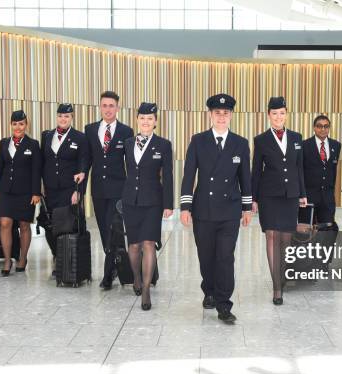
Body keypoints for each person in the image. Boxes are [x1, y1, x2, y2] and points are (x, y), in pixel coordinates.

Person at [180, 93, 252, 323]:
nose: (222, 117)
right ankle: (209, 290)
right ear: (210, 115)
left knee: (225, 257)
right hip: (203, 210)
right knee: (206, 256)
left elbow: (245, 178)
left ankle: (224, 304)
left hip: (229, 211)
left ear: (231, 115)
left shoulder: (240, 143)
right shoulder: (198, 141)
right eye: (217, 113)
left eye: (226, 113)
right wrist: (185, 206)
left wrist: (247, 208)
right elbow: (189, 174)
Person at [251, 97, 307, 305]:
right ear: (268, 115)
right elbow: (256, 172)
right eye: (274, 113)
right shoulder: (261, 139)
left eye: (282, 113)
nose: (278, 117)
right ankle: (276, 287)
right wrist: (253, 199)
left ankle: (282, 276)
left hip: (290, 195)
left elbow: (298, 167)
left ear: (286, 114)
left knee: (286, 240)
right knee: (272, 237)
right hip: (269, 196)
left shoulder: (296, 137)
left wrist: (302, 193)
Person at [122, 102, 174, 310]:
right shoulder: (127, 143)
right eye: (142, 118)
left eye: (150, 119)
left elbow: (168, 176)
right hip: (130, 201)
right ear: (137, 120)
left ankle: (145, 289)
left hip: (153, 201)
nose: (146, 122)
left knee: (149, 244)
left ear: (155, 122)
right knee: (133, 245)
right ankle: (135, 278)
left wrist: (168, 204)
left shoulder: (163, 145)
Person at [84, 91, 134, 289]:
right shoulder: (90, 130)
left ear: (117, 108)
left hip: (118, 190)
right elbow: (86, 160)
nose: (108, 109)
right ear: (100, 107)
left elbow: (130, 163)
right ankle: (113, 265)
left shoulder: (125, 131)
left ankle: (107, 274)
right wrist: (79, 188)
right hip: (98, 189)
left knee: (114, 229)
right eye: (104, 105)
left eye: (111, 105)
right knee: (104, 230)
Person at [40, 103, 89, 277]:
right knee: (48, 224)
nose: (63, 119)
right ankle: (56, 254)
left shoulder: (80, 138)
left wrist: (79, 191)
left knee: (65, 225)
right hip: (49, 190)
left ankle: (64, 261)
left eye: (67, 116)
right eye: (60, 115)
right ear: (56, 117)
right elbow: (42, 162)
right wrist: (40, 186)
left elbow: (83, 166)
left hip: (69, 190)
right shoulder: (46, 136)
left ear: (72, 118)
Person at [0, 110, 41, 277]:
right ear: (11, 125)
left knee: (24, 225)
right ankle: (7, 260)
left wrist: (36, 192)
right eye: (15, 124)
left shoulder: (33, 144)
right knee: (5, 223)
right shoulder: (4, 143)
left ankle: (22, 258)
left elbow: (36, 170)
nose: (18, 127)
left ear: (26, 125)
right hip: (6, 190)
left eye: (21, 124)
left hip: (26, 192)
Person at [301, 114, 341, 225]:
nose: (323, 129)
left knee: (327, 234)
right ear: (314, 128)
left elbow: (333, 171)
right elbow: (300, 171)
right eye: (319, 126)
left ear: (329, 128)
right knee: (306, 233)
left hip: (327, 199)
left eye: (326, 126)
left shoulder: (336, 145)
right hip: (309, 197)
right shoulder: (304, 145)